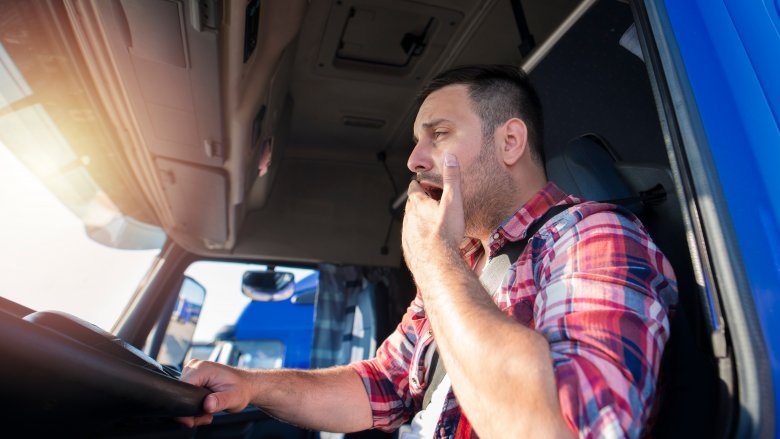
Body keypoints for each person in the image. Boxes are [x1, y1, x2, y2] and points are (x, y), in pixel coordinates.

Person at [177, 64, 677, 438]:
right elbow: (382, 384)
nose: (415, 160)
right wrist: (250, 385)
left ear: (509, 142)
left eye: (438, 135)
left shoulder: (593, 236)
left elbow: (570, 429)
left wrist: (434, 261)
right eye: (417, 142)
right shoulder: (465, 265)